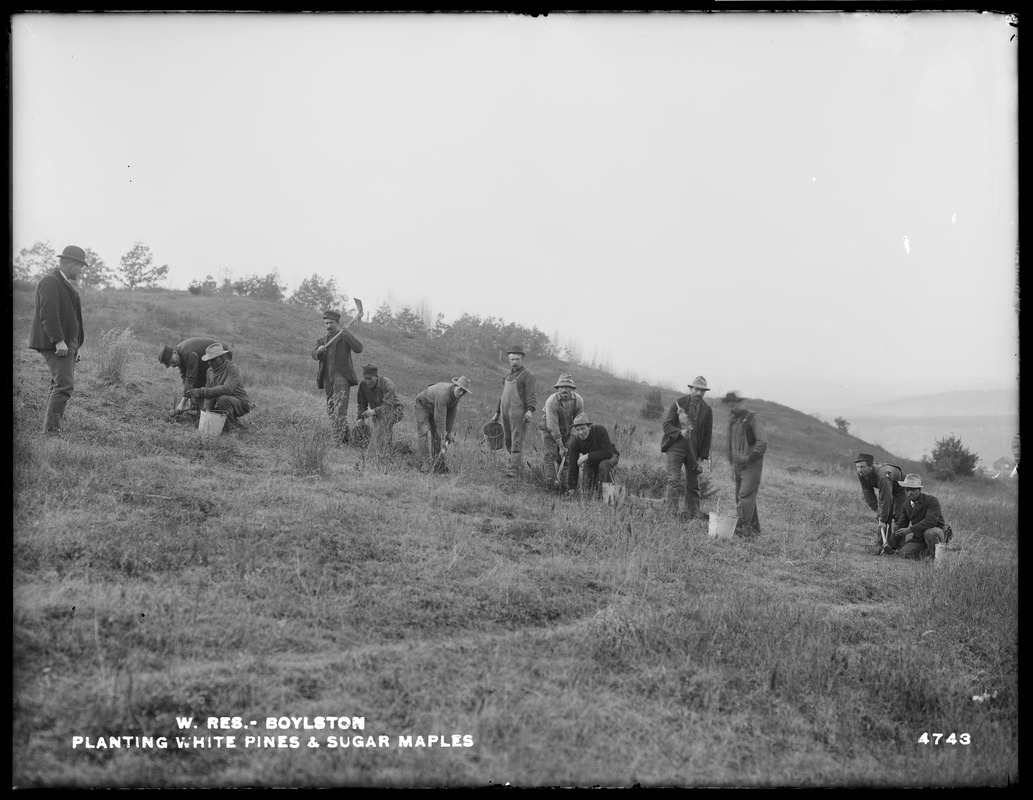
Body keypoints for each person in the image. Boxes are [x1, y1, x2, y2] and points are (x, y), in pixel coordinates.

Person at [28, 245, 86, 434]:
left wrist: (74, 346)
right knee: (64, 385)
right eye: (80, 266)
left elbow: (71, 318)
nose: (81, 270)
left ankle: (50, 429)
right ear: (71, 265)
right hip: (56, 343)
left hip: (67, 343)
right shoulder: (50, 281)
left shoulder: (63, 283)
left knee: (58, 384)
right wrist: (59, 341)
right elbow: (49, 314)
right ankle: (52, 433)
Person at [661, 376, 714, 519]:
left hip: (694, 451)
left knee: (693, 483)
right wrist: (680, 432)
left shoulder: (707, 410)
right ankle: (670, 515)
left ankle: (692, 514)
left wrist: (701, 458)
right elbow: (666, 425)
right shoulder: (678, 403)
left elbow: (708, 435)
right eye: (696, 389)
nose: (698, 393)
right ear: (691, 389)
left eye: (702, 391)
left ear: (704, 392)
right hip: (675, 447)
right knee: (674, 480)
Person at [312, 309, 363, 444]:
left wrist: (347, 334)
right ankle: (346, 438)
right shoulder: (322, 340)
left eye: (331, 323)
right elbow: (313, 355)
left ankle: (336, 441)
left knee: (340, 410)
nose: (328, 326)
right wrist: (318, 351)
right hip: (328, 379)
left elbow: (359, 348)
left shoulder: (343, 336)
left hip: (342, 378)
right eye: (326, 323)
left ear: (338, 323)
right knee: (331, 410)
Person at [721, 391, 767, 536]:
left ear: (740, 403)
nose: (731, 409)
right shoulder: (732, 420)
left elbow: (762, 442)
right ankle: (753, 530)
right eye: (729, 406)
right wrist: (730, 465)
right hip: (737, 467)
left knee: (745, 497)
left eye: (733, 405)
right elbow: (729, 445)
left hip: (751, 466)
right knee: (741, 498)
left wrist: (749, 457)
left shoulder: (754, 418)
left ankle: (741, 531)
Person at [490, 345, 538, 478]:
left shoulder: (527, 375)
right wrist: (497, 413)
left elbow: (531, 395)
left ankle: (513, 470)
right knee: (508, 440)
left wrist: (530, 410)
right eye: (512, 359)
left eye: (517, 359)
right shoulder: (507, 374)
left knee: (517, 440)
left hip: (519, 413)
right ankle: (517, 465)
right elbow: (502, 395)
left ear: (522, 359)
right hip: (505, 412)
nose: (514, 362)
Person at [413, 376, 472, 473]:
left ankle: (437, 462)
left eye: (464, 392)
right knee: (423, 432)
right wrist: (442, 434)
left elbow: (451, 415)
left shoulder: (455, 397)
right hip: (422, 406)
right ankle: (426, 463)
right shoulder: (444, 394)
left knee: (437, 435)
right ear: (455, 385)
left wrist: (448, 433)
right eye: (460, 389)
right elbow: (440, 417)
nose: (461, 393)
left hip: (434, 408)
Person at [188, 343, 252, 429]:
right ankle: (235, 423)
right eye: (208, 360)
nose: (209, 363)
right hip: (224, 404)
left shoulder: (232, 369)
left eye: (213, 360)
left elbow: (227, 389)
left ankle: (231, 428)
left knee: (223, 399)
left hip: (241, 403)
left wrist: (201, 392)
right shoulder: (209, 371)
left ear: (221, 357)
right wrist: (205, 415)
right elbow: (210, 397)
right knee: (211, 414)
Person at [889, 474, 952, 559]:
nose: (909, 492)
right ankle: (928, 553)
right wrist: (890, 545)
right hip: (919, 538)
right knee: (903, 553)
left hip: (936, 532)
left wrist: (910, 530)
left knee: (930, 533)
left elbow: (931, 521)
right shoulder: (905, 505)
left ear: (919, 489)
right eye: (907, 489)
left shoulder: (931, 500)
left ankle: (936, 557)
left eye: (912, 489)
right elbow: (901, 525)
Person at [538, 374, 585, 489]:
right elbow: (552, 425)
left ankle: (565, 486)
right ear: (558, 388)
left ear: (572, 389)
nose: (563, 390)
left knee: (567, 457)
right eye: (561, 387)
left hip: (567, 429)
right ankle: (550, 485)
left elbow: (578, 421)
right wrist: (561, 445)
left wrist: (572, 438)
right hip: (549, 430)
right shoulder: (551, 401)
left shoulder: (578, 400)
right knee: (550, 455)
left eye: (567, 387)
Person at [854, 452, 906, 554]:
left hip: (900, 490)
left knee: (899, 516)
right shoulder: (861, 474)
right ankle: (881, 543)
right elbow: (867, 492)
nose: (859, 469)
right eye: (858, 467)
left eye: (862, 467)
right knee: (882, 514)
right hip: (887, 489)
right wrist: (877, 510)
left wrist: (882, 519)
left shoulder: (883, 475)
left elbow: (886, 499)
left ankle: (898, 545)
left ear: (870, 466)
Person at [159, 336, 222, 414]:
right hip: (204, 364)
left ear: (174, 352)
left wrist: (183, 403)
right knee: (196, 389)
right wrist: (189, 395)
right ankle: (200, 411)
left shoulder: (188, 353)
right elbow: (185, 378)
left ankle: (218, 412)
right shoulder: (179, 356)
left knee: (215, 386)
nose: (173, 365)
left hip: (218, 355)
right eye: (170, 364)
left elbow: (191, 377)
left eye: (171, 361)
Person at [564, 413, 620, 498]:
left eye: (583, 429)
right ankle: (599, 493)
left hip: (611, 456)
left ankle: (610, 497)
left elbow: (608, 452)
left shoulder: (600, 430)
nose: (580, 432)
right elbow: (573, 467)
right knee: (588, 494)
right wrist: (571, 488)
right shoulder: (574, 443)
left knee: (604, 465)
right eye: (577, 429)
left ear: (589, 427)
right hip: (592, 461)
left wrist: (586, 456)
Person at [355, 364, 404, 449]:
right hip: (379, 411)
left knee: (382, 425)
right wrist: (360, 418)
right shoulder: (363, 384)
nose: (367, 381)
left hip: (395, 410)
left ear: (376, 377)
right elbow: (362, 403)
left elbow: (387, 406)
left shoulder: (388, 385)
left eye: (370, 379)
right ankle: (386, 449)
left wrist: (374, 412)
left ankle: (384, 452)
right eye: (365, 378)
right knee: (379, 430)